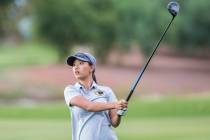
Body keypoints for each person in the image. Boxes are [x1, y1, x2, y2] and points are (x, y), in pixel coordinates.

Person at [64, 52, 128, 140]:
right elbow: (88, 106)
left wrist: (120, 112)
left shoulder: (106, 91)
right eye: (74, 65)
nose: (76, 67)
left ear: (91, 67)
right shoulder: (71, 90)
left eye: (81, 63)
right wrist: (115, 104)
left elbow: (114, 122)